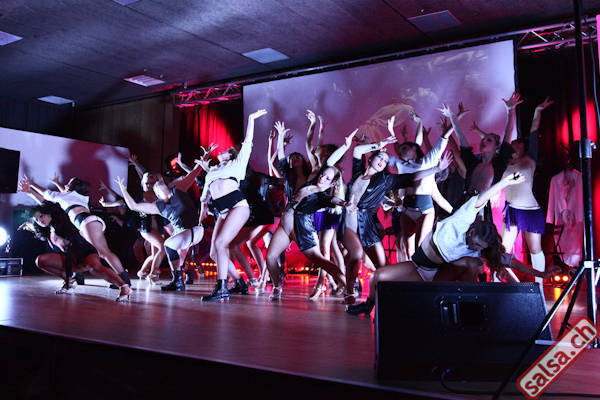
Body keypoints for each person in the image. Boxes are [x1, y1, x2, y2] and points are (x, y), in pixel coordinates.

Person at [346, 172, 528, 316]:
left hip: (439, 275)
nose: (476, 249)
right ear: (471, 232)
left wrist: (534, 280)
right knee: (377, 276)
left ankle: (472, 308)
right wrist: (505, 182)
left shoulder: (476, 251)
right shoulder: (462, 220)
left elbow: (506, 261)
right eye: (477, 244)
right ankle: (368, 306)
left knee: (471, 264)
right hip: (417, 268)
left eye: (481, 247)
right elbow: (482, 198)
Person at [342, 130, 451, 300]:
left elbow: (413, 176)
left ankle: (389, 297)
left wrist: (436, 168)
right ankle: (349, 291)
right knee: (355, 254)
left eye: (386, 161)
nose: (382, 161)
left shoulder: (386, 180)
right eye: (380, 157)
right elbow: (357, 151)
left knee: (383, 266)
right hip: (349, 222)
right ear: (370, 158)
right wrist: (379, 145)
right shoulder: (358, 171)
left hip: (368, 223)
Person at [198, 109, 267, 301]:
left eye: (226, 151)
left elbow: (248, 142)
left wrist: (251, 119)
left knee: (221, 243)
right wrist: (202, 214)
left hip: (238, 207)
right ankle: (239, 282)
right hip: (222, 212)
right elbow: (205, 198)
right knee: (214, 252)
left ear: (231, 155)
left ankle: (221, 288)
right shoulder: (211, 172)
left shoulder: (237, 164)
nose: (221, 152)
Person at [20, 174, 131, 286]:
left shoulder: (65, 197)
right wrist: (54, 184)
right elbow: (64, 192)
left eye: (68, 184)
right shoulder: (80, 196)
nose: (65, 185)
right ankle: (118, 279)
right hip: (91, 221)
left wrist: (32, 186)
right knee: (96, 252)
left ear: (71, 188)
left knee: (103, 253)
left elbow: (46, 194)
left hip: (85, 221)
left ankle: (123, 281)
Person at [115, 158, 205, 291]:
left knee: (168, 244)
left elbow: (194, 173)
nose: (157, 185)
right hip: (184, 234)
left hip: (195, 230)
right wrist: (123, 189)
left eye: (158, 183)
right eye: (155, 187)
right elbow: (133, 206)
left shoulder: (178, 189)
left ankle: (176, 279)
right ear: (157, 194)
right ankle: (179, 279)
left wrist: (204, 159)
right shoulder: (158, 206)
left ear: (166, 186)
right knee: (178, 256)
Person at [501, 97, 553, 283]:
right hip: (512, 210)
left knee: (535, 249)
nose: (517, 144)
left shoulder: (529, 160)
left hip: (530, 210)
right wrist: (510, 111)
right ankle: (499, 284)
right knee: (502, 250)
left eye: (520, 143)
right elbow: (505, 138)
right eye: (515, 143)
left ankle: (539, 285)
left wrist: (537, 110)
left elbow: (533, 131)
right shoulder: (504, 162)